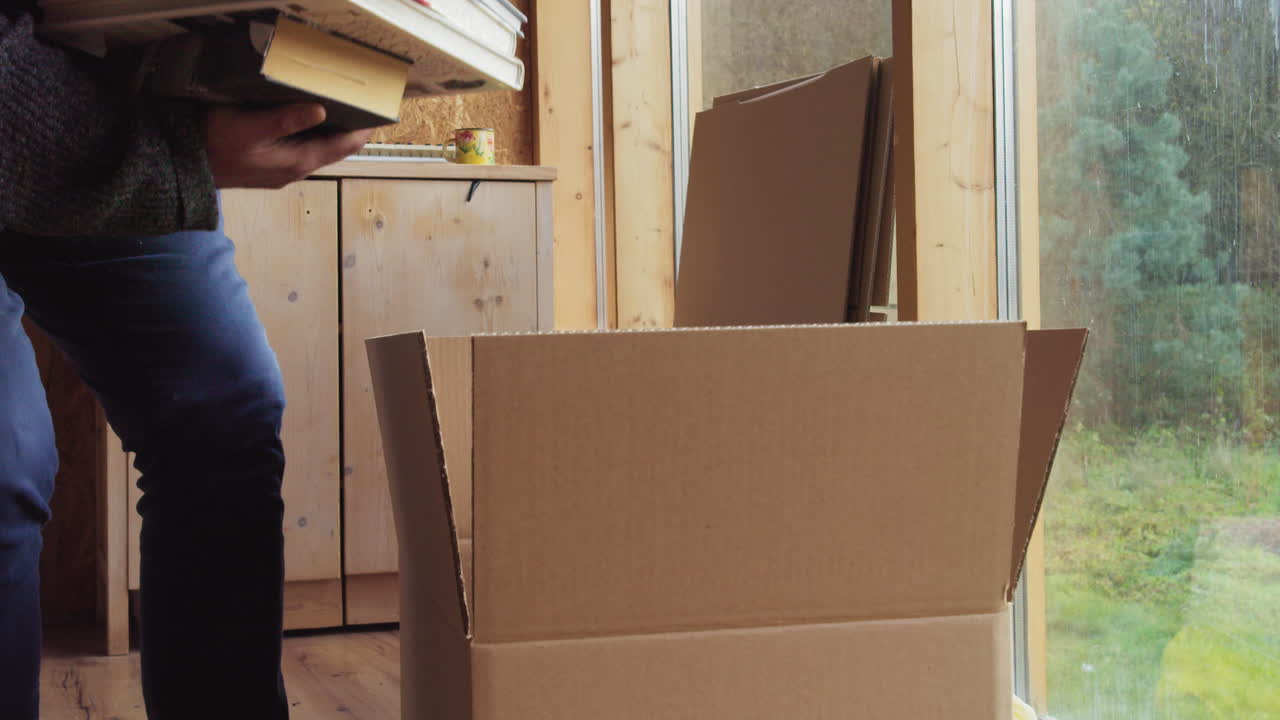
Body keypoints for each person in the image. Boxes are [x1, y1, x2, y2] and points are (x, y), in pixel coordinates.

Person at [0, 4, 374, 718]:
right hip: (47, 109)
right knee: (3, 459)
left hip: (78, 82)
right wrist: (172, 156)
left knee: (223, 411)